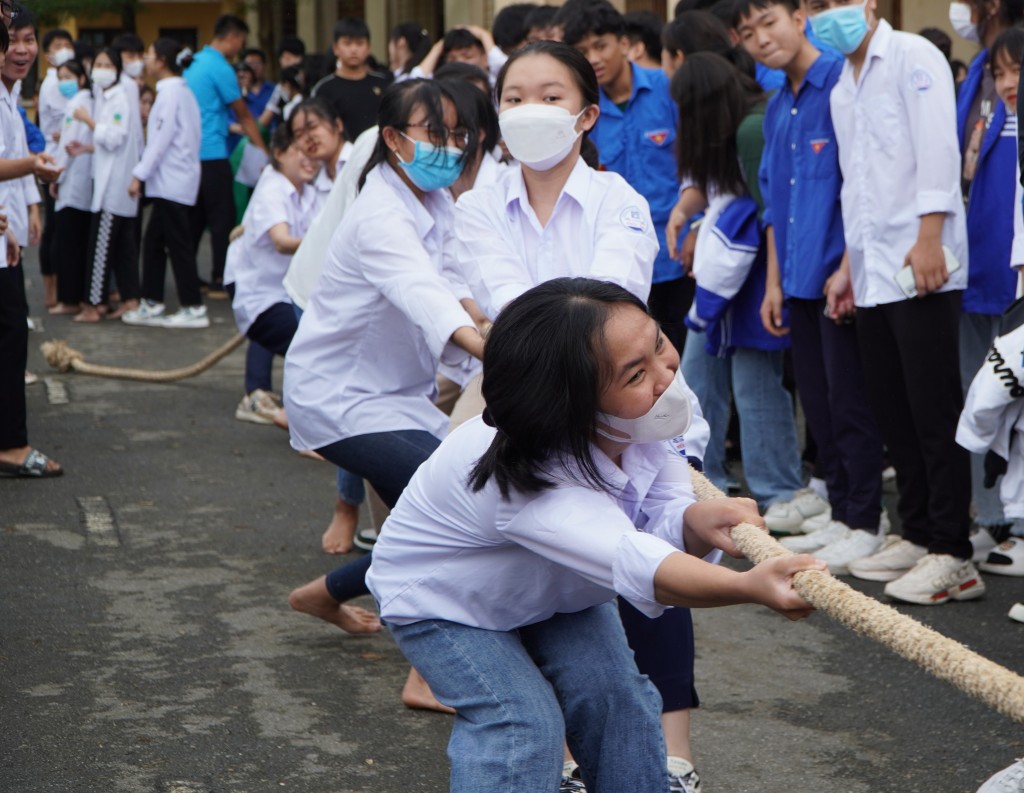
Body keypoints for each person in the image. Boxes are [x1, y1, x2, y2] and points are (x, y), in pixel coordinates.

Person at [365, 276, 824, 793]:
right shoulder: (528, 481)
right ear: (575, 407)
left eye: (659, 344)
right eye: (635, 375)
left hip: (550, 587)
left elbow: (661, 512)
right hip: (447, 602)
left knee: (618, 697)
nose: (665, 374)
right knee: (521, 722)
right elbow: (640, 563)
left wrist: (695, 523)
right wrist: (749, 587)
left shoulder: (633, 422)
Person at [455, 41, 709, 793]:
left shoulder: (619, 199)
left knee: (652, 563)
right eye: (514, 97)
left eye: (552, 95)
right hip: (527, 410)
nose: (532, 110)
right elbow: (501, 299)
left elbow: (613, 303)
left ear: (587, 113)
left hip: (627, 402)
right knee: (549, 575)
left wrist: (540, 339)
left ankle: (675, 754)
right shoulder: (477, 206)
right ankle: (571, 761)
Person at [284, 79, 486, 710]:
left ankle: (327, 593)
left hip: (396, 396)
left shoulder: (434, 200)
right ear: (395, 139)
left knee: (432, 522)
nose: (450, 147)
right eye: (436, 133)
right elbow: (422, 294)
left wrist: (508, 334)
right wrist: (498, 353)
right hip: (338, 396)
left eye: (460, 135)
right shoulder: (379, 213)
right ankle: (425, 674)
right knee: (445, 514)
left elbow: (456, 285)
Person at [809, 0, 981, 604]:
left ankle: (954, 552)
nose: (826, 14)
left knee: (933, 409)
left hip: (920, 261)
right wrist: (850, 266)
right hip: (874, 270)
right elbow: (858, 185)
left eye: (835, 2)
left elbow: (937, 149)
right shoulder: (843, 84)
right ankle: (916, 531)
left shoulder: (913, 56)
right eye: (814, 5)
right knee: (892, 405)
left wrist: (930, 235)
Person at [735, 0, 885, 571]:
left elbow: (860, 187)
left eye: (768, 22)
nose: (761, 39)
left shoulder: (840, 85)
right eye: (748, 32)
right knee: (819, 409)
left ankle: (866, 519)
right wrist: (773, 285)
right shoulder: (778, 106)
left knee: (851, 405)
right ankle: (843, 513)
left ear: (800, 17)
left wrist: (847, 267)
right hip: (796, 280)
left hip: (839, 279)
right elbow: (773, 204)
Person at [557, 0, 692, 355]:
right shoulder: (581, 113)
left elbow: (697, 163)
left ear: (623, 42)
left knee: (683, 363)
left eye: (600, 45)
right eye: (582, 51)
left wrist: (698, 222)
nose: (594, 58)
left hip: (679, 256)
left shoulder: (668, 88)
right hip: (616, 262)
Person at [951, 2, 1024, 559]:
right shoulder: (977, 73)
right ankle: (997, 518)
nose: (1006, 83)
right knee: (986, 395)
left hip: (1010, 268)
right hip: (982, 260)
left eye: (1015, 71)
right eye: (1000, 73)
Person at [0, 9, 63, 478]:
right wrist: (33, 169)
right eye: (9, 38)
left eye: (27, 39)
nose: (19, 49)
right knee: (9, 335)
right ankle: (11, 445)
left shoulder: (11, 95)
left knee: (10, 333)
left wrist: (26, 211)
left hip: (4, 233)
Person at [229, 126, 320, 420]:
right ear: (279, 154)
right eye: (301, 152)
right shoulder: (272, 188)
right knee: (307, 339)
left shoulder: (310, 190)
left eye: (314, 153)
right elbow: (281, 241)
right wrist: (326, 243)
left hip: (285, 287)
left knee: (299, 329)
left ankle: (260, 392)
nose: (310, 160)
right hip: (255, 286)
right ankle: (298, 414)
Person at [122, 38, 204, 329]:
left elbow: (160, 139)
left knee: (177, 244)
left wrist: (138, 174)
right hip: (173, 180)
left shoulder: (170, 95)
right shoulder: (180, 92)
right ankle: (152, 301)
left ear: (162, 61)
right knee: (155, 242)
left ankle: (193, 306)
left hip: (172, 181)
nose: (145, 58)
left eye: (150, 54)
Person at [185, 14, 268, 295]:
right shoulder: (220, 68)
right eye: (241, 42)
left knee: (194, 218)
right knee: (223, 217)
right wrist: (264, 151)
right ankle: (221, 277)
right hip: (213, 153)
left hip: (190, 154)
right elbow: (244, 115)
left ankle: (190, 278)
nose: (239, 48)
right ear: (232, 38)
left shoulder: (194, 63)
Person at [71, 49, 141, 323]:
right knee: (123, 247)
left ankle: (93, 304)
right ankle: (130, 298)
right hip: (111, 181)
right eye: (97, 64)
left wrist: (87, 120)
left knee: (100, 247)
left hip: (114, 185)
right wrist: (86, 148)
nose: (100, 69)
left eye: (106, 64)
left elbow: (113, 138)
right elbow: (107, 143)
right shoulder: (104, 97)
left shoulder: (119, 99)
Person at [49, 58, 93, 316]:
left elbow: (68, 145)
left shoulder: (76, 104)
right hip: (81, 182)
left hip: (73, 182)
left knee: (68, 245)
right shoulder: (86, 102)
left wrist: (56, 177)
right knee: (77, 244)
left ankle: (69, 299)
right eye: (60, 77)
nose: (64, 82)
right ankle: (73, 297)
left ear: (80, 77)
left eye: (68, 76)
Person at [37, 27, 75, 309]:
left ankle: (58, 289)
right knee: (54, 229)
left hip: (62, 161)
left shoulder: (65, 81)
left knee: (58, 228)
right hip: (52, 162)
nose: (64, 49)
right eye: (58, 45)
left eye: (67, 44)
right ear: (49, 55)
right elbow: (68, 121)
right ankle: (52, 291)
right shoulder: (54, 84)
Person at [310, 17, 392, 141]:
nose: (354, 49)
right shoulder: (324, 89)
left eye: (359, 43)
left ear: (369, 48)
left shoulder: (383, 84)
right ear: (335, 48)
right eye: (347, 43)